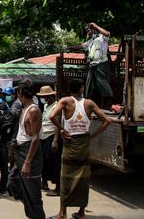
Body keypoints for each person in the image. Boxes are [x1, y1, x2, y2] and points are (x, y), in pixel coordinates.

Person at [49, 78, 112, 219]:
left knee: (66, 178)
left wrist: (62, 130)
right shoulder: (89, 103)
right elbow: (107, 120)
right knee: (83, 179)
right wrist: (92, 135)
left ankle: (62, 213)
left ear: (70, 89)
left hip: (69, 144)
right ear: (82, 89)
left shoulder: (65, 101)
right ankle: (81, 212)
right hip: (84, 144)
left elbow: (52, 116)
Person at [7, 80, 45, 219]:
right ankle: (32, 214)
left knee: (33, 193)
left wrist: (28, 162)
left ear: (21, 93)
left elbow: (35, 139)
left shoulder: (33, 111)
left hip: (29, 153)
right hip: (20, 151)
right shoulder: (23, 108)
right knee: (14, 183)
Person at [70, 22, 113, 108]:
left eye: (89, 30)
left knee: (102, 82)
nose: (87, 32)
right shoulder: (91, 41)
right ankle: (87, 103)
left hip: (101, 63)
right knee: (89, 84)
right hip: (92, 65)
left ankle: (108, 103)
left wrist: (95, 25)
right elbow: (81, 46)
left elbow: (107, 33)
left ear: (94, 30)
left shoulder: (102, 38)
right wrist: (69, 48)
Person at [37, 85, 61, 196]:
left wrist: (55, 140)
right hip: (44, 137)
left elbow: (57, 124)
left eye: (46, 96)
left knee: (55, 163)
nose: (44, 99)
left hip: (51, 136)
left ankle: (58, 188)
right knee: (45, 162)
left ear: (52, 96)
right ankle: (44, 182)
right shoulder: (46, 106)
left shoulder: (56, 106)